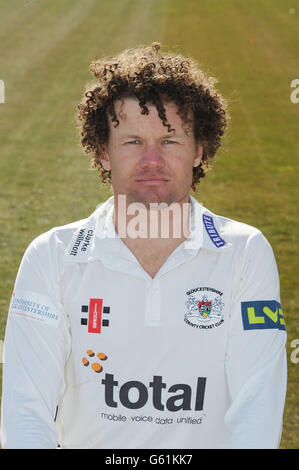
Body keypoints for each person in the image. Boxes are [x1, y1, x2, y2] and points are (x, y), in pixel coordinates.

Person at [0, 43, 287, 449]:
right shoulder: (52, 256)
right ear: (103, 152)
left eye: (169, 141)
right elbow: (26, 410)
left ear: (199, 150)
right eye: (133, 141)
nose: (152, 160)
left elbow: (256, 410)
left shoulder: (244, 253)